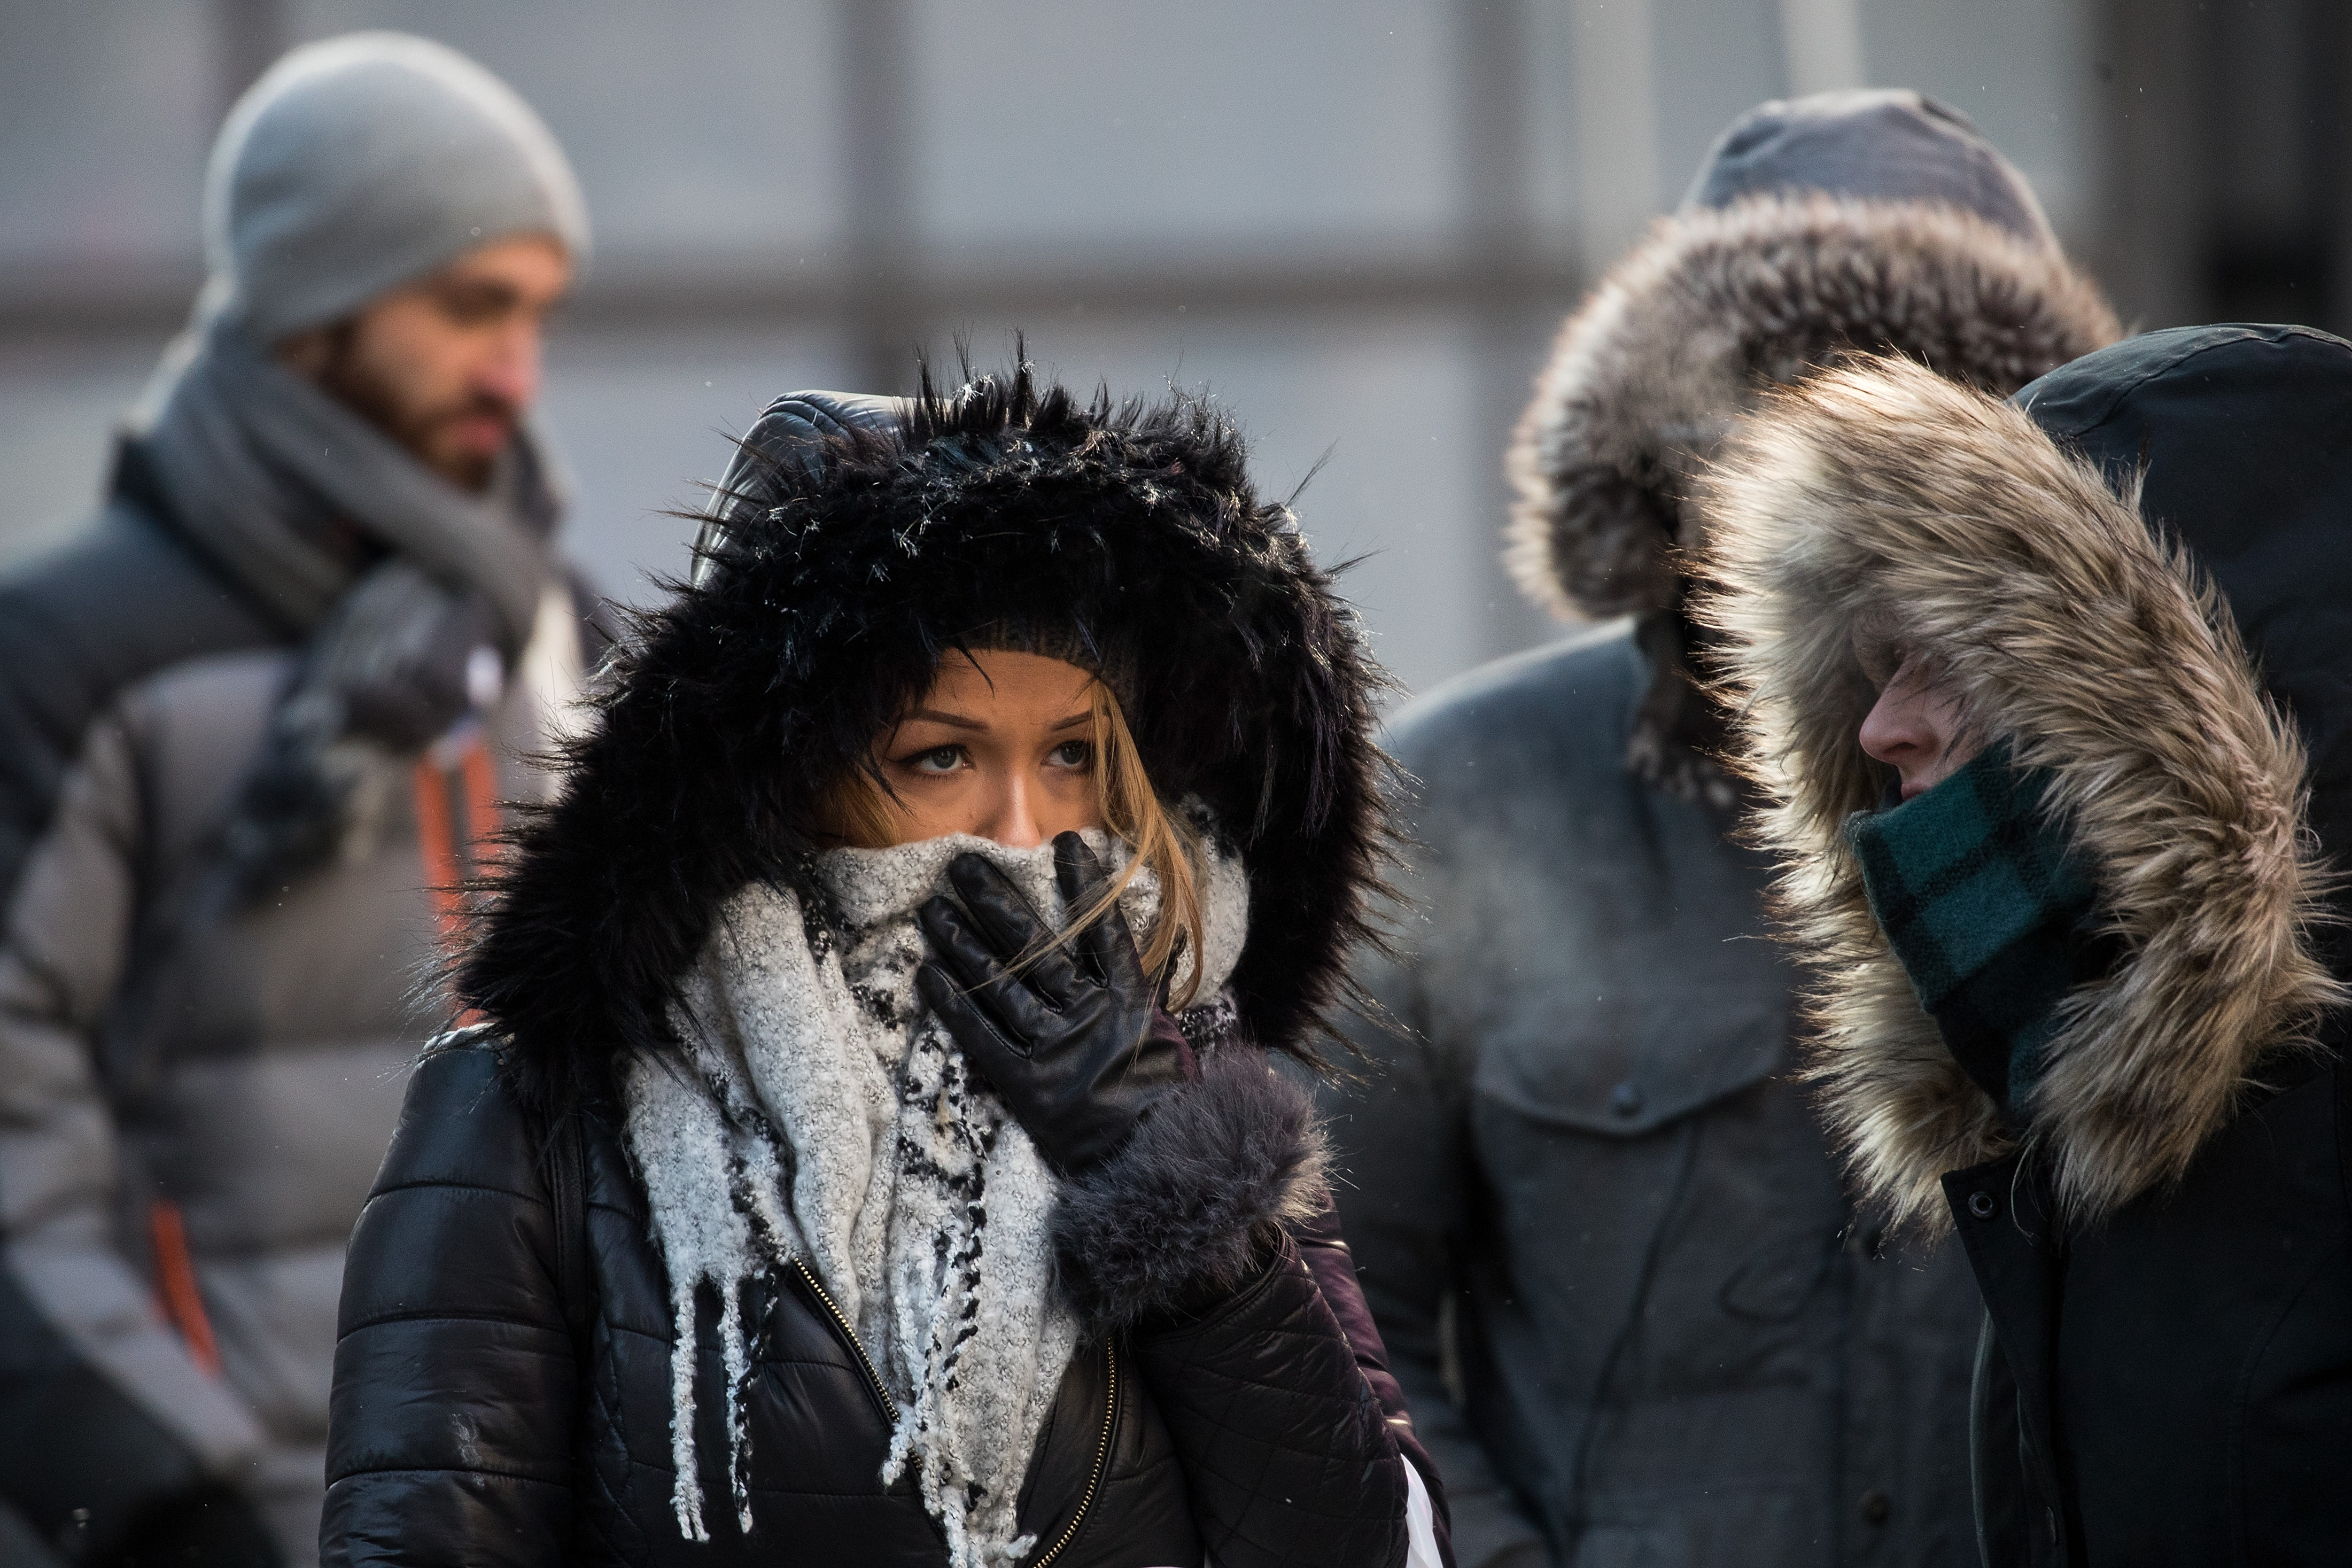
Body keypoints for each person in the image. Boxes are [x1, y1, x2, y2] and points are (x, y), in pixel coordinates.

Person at [319, 369, 1453, 1568]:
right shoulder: (534, 1111)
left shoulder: (1190, 1081)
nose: (1023, 828)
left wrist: (1176, 1204)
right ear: (785, 776)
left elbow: (1368, 1549)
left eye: (1072, 753)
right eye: (938, 756)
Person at [1321, 90, 2122, 1567]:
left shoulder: (2146, 820)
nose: (1850, 529)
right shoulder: (1454, 801)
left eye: (1923, 469)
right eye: (1796, 450)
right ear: (1671, 466)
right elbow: (1333, 1296)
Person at [0, 33, 599, 1567]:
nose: (517, 368)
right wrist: (172, 1496)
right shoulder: (71, 660)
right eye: (471, 305)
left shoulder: (567, 637)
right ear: (318, 307)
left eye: (534, 313)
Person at [1693, 328, 2352, 1566]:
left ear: (2165, 706)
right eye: (1879, 665)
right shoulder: (2056, 1100)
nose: (1882, 725)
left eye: (1945, 655)